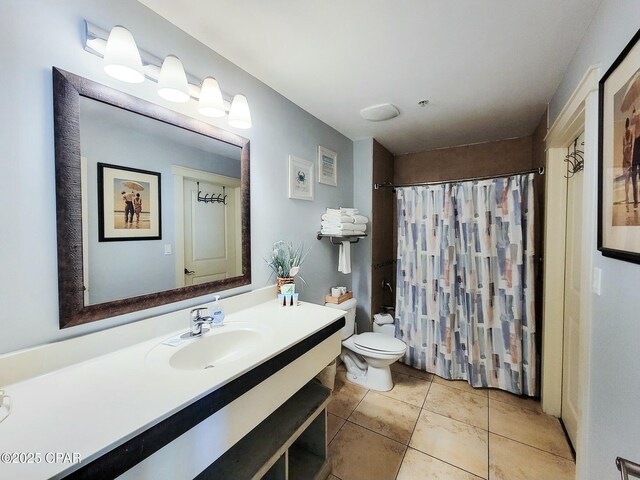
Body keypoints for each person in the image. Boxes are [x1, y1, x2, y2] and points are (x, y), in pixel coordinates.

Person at [623, 117, 634, 211]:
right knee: (629, 181)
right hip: (629, 161)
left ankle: (627, 200)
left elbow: (624, 150)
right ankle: (628, 200)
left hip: (625, 161)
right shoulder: (630, 133)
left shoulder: (624, 134)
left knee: (626, 182)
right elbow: (631, 149)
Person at [632, 108, 640, 210]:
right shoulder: (635, 130)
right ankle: (635, 202)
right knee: (634, 180)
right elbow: (632, 121)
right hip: (634, 158)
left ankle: (636, 202)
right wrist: (634, 113)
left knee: (636, 180)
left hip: (636, 158)